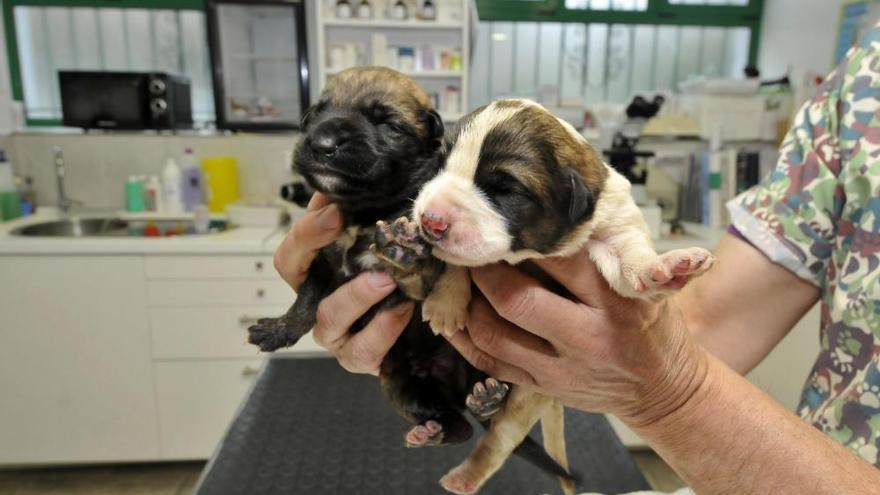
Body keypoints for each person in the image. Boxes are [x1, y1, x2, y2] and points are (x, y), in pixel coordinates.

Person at [273, 28, 880, 493]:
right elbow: (707, 322)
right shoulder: (856, 89)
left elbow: (639, 283)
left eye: (501, 187)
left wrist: (668, 390)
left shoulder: (593, 196)